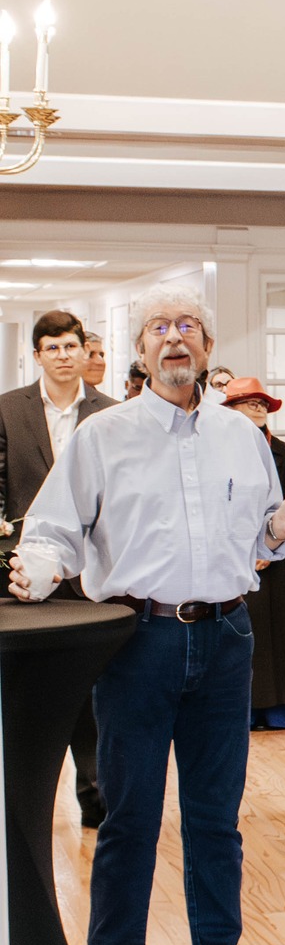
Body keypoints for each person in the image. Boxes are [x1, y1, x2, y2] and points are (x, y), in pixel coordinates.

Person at [10, 288, 285, 945]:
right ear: (141, 350)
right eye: (159, 327)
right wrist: (41, 563)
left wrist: (278, 531)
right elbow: (54, 529)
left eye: (189, 326)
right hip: (138, 644)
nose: (175, 338)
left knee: (217, 819)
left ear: (207, 347)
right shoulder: (102, 435)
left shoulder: (242, 437)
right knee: (128, 817)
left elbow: (257, 539)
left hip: (227, 639)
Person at [0, 310, 119, 826]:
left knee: (94, 691)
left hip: (92, 574)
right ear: (38, 356)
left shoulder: (111, 414)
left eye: (72, 346)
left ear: (84, 351)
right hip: (25, 574)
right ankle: (23, 810)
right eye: (53, 348)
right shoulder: (8, 410)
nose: (64, 356)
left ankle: (96, 798)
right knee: (30, 693)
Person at [222, 377, 285, 731]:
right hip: (234, 553)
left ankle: (278, 712)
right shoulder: (218, 448)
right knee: (245, 632)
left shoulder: (284, 451)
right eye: (250, 402)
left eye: (262, 403)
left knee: (280, 634)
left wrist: (270, 543)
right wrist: (250, 546)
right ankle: (244, 711)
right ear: (232, 410)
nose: (258, 408)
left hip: (277, 553)